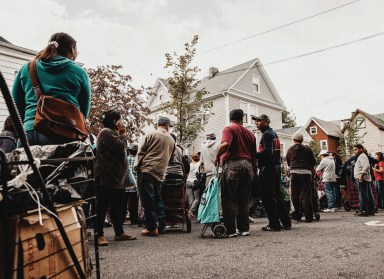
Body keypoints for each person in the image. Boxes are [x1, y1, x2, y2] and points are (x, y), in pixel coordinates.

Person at [12, 32, 91, 146]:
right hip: (63, 134)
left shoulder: (27, 68)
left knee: (25, 164)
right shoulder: (79, 72)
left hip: (28, 132)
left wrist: (31, 120)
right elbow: (84, 111)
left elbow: (15, 104)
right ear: (72, 49)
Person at [95, 110, 137, 246]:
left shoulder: (113, 133)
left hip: (118, 178)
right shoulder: (106, 132)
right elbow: (120, 147)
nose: (122, 122)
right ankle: (99, 234)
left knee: (117, 207)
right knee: (102, 207)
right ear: (114, 121)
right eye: (121, 119)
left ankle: (119, 233)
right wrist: (123, 133)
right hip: (107, 176)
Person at [215, 109, 256, 237]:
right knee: (244, 199)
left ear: (230, 118)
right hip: (248, 166)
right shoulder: (251, 134)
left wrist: (216, 157)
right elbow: (254, 155)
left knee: (228, 199)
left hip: (233, 164)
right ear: (242, 118)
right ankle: (244, 229)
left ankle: (231, 230)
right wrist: (254, 171)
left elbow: (225, 144)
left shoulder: (229, 129)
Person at [135, 117, 175, 236]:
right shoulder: (171, 140)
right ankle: (161, 225)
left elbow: (141, 151)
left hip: (147, 169)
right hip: (160, 172)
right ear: (167, 125)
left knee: (147, 199)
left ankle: (152, 227)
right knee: (158, 198)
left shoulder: (151, 134)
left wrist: (137, 167)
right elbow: (171, 158)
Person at [254, 114, 291, 231]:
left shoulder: (266, 134)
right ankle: (286, 222)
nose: (257, 123)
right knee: (277, 195)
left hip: (268, 167)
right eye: (256, 121)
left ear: (267, 122)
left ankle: (274, 224)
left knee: (268, 196)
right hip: (276, 167)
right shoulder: (273, 133)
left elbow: (267, 151)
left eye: (259, 121)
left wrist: (253, 154)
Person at [286, 132, 316, 222]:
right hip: (306, 174)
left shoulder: (290, 150)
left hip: (294, 173)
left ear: (293, 140)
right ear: (302, 140)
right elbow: (313, 162)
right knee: (307, 195)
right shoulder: (307, 149)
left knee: (295, 195)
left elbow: (288, 162)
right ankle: (309, 217)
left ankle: (296, 215)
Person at [353, 144, 375, 216]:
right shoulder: (363, 156)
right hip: (365, 177)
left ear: (361, 149)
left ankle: (364, 210)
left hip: (362, 177)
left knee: (363, 194)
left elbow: (366, 166)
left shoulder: (362, 156)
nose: (354, 151)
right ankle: (370, 210)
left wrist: (361, 175)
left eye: (356, 149)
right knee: (368, 194)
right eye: (354, 150)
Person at [122, 144, 140, 225]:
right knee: (134, 204)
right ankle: (134, 219)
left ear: (129, 151)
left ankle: (121, 219)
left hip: (125, 184)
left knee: (123, 203)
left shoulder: (125, 159)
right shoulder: (138, 160)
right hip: (134, 185)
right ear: (136, 152)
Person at [186, 153, 201, 218]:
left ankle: (191, 212)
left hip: (188, 181)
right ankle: (191, 211)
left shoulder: (189, 165)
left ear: (192, 158)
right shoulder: (199, 164)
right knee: (197, 198)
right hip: (195, 183)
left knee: (190, 198)